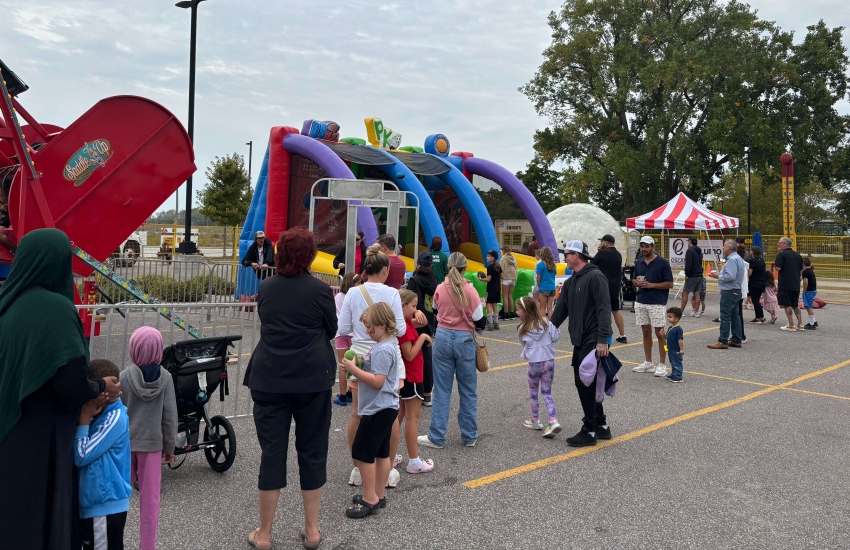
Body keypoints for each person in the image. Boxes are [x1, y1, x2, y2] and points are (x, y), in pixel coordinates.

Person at [0, 228, 121, 550]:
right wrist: (100, 385)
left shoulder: (8, 302)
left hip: (9, 430)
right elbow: (69, 386)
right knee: (39, 521)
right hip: (41, 439)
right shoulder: (54, 308)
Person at [242, 227, 337, 550]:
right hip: (312, 376)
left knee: (273, 452)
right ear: (310, 256)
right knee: (312, 450)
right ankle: (311, 529)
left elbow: (267, 319)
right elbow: (332, 328)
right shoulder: (320, 291)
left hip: (270, 377)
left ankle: (265, 533)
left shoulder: (267, 288)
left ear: (280, 253)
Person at [338, 244, 413, 490]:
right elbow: (400, 329)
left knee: (358, 413)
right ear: (385, 269)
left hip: (358, 355)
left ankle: (358, 467)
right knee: (388, 414)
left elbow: (343, 329)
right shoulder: (392, 293)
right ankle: (386, 467)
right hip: (386, 354)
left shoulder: (353, 293)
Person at [340, 302, 401, 518]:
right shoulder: (386, 344)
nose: (367, 331)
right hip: (386, 408)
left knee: (362, 453)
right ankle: (378, 494)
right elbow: (377, 372)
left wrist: (354, 369)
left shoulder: (384, 349)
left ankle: (370, 498)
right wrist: (362, 363)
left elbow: (377, 381)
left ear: (383, 324)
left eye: (370, 327)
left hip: (377, 409)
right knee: (381, 453)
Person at [419, 252, 485, 449]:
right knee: (468, 390)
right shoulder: (471, 292)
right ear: (465, 268)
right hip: (464, 339)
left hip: (444, 337)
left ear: (449, 267)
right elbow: (480, 321)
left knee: (442, 390)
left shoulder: (440, 288)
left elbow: (436, 310)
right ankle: (469, 435)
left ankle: (437, 436)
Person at [550, 240, 612, 447]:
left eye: (566, 254)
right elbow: (561, 311)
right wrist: (548, 329)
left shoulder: (595, 277)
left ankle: (590, 430)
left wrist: (603, 340)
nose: (564, 258)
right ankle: (601, 426)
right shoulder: (571, 281)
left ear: (577, 255)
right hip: (580, 339)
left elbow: (604, 309)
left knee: (584, 383)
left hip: (593, 339)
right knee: (587, 382)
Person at [120, 326, 177, 550]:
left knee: (120, 497)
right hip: (153, 446)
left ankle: (116, 539)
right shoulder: (166, 379)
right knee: (150, 501)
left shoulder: (124, 377)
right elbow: (170, 416)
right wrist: (170, 447)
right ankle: (148, 546)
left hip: (124, 445)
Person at [76, 359, 132, 550]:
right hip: (95, 506)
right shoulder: (100, 414)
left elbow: (81, 455)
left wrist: (84, 418)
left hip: (104, 507)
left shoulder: (114, 419)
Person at [396, 289, 435, 473]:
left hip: (408, 377)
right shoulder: (403, 328)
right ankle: (414, 461)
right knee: (413, 419)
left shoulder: (402, 322)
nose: (415, 310)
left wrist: (418, 312)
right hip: (412, 377)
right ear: (402, 306)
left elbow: (423, 322)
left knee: (400, 416)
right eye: (412, 306)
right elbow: (410, 355)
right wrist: (423, 337)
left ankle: (391, 454)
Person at [516, 296, 561, 438]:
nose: (517, 312)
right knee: (547, 392)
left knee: (533, 392)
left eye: (518, 310)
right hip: (549, 361)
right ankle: (553, 420)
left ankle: (536, 420)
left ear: (524, 312)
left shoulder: (522, 328)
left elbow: (524, 345)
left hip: (534, 363)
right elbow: (556, 337)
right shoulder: (547, 323)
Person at [631, 236, 674, 376]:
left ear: (653, 247)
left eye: (647, 246)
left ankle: (662, 364)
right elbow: (634, 278)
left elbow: (669, 284)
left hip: (657, 302)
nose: (644, 249)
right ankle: (648, 362)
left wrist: (651, 285)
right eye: (642, 246)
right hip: (641, 301)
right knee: (646, 332)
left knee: (660, 334)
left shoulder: (662, 263)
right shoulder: (639, 263)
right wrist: (636, 283)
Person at [405, 250, 438, 407]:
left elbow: (409, 300)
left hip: (415, 322)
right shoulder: (435, 280)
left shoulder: (414, 281)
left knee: (414, 357)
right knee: (427, 357)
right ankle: (427, 393)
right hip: (430, 321)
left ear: (418, 264)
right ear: (430, 266)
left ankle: (414, 388)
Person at [707, 240, 745, 350]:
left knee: (725, 315)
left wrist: (718, 276)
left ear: (729, 247)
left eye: (724, 246)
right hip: (735, 290)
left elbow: (730, 276)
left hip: (729, 291)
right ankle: (736, 339)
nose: (723, 247)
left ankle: (722, 340)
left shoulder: (732, 260)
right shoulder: (737, 258)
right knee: (734, 315)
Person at [592, 234, 626, 342]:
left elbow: (592, 265)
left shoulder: (602, 253)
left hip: (603, 286)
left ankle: (605, 333)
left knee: (603, 310)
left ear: (606, 243)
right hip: (615, 286)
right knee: (615, 310)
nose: (600, 244)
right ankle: (622, 335)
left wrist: (598, 251)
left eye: (602, 242)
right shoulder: (618, 255)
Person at [334, 273, 362, 407]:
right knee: (354, 363)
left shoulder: (338, 296)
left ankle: (343, 395)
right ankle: (352, 392)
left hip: (340, 332)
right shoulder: (356, 296)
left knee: (342, 365)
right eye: (358, 283)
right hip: (354, 333)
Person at [775, 237, 804, 332]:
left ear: (785, 244)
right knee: (795, 304)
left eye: (780, 243)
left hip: (785, 283)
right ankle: (800, 324)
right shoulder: (798, 255)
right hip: (795, 283)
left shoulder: (782, 255)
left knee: (787, 304)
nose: (778, 245)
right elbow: (800, 270)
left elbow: (778, 268)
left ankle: (791, 324)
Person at [479, 249, 502, 330]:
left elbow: (489, 279)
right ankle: (496, 322)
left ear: (493, 258)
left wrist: (481, 279)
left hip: (491, 288)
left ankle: (490, 323)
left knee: (488, 304)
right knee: (495, 305)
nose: (487, 257)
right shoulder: (498, 266)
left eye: (488, 256)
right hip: (497, 288)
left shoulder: (490, 267)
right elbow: (502, 276)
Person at [682, 237, 704, 316]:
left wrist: (687, 274)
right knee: (696, 293)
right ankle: (696, 312)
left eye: (688, 241)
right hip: (699, 274)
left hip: (692, 275)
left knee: (685, 293)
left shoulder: (690, 251)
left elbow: (688, 263)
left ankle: (681, 311)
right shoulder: (699, 251)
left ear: (690, 242)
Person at [535, 247, 558, 318]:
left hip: (544, 286)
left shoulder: (540, 264)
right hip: (552, 287)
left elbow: (538, 278)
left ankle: (544, 326)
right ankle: (551, 325)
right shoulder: (553, 265)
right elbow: (554, 277)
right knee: (550, 308)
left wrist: (538, 286)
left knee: (542, 308)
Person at [664, 308, 685, 383]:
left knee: (677, 363)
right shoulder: (670, 327)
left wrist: (681, 349)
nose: (668, 318)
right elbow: (666, 337)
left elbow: (680, 340)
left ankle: (678, 376)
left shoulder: (678, 329)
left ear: (676, 319)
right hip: (671, 349)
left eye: (670, 317)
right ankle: (674, 374)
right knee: (673, 363)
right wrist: (662, 334)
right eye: (668, 316)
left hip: (676, 350)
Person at [748, 246, 767, 323]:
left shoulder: (752, 261)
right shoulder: (762, 261)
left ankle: (759, 316)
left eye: (751, 250)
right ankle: (760, 316)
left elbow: (750, 273)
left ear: (753, 251)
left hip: (754, 282)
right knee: (757, 300)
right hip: (762, 282)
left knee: (755, 300)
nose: (750, 251)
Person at [499, 246, 518, 319]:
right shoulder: (514, 258)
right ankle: (512, 314)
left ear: (504, 250)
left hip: (506, 278)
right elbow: (516, 268)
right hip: (513, 278)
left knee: (505, 297)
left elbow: (500, 269)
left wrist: (501, 277)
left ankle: (506, 313)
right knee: (510, 296)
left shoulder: (503, 259)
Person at [737, 244, 750, 344]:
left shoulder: (738, 263)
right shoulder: (743, 264)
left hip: (736, 291)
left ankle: (740, 335)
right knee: (737, 314)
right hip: (740, 291)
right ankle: (739, 334)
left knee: (736, 314)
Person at [802, 258, 818, 330]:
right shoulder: (811, 271)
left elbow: (805, 282)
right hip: (813, 290)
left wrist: (804, 290)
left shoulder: (805, 272)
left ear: (803, 265)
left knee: (808, 306)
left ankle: (812, 323)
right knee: (809, 305)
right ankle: (813, 320)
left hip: (808, 291)